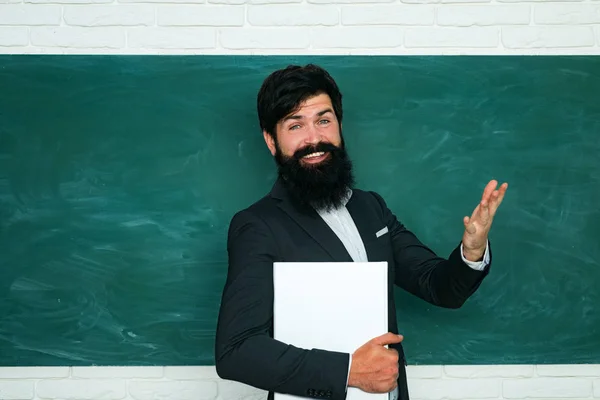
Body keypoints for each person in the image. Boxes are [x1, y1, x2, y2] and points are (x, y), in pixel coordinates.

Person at [214, 64, 508, 400]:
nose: (314, 139)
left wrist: (471, 251)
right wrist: (348, 372)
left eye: (324, 121)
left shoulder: (371, 209)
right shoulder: (259, 225)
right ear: (271, 141)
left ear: (339, 126)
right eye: (295, 125)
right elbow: (236, 351)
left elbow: (440, 289)